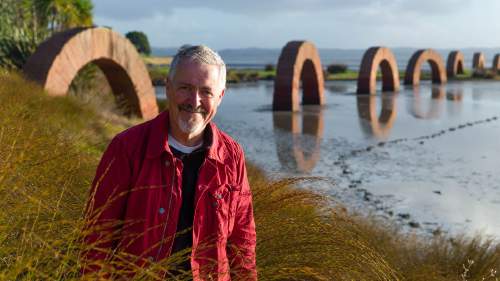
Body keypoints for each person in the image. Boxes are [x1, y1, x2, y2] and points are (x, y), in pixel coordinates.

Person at [82, 45, 257, 280]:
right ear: (168, 87)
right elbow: (96, 239)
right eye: (185, 88)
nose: (194, 100)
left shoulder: (232, 156)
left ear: (221, 96)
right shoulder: (127, 148)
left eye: (206, 91)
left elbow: (242, 242)